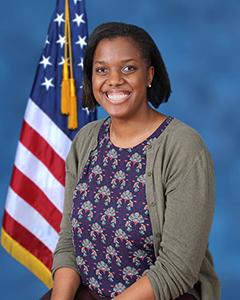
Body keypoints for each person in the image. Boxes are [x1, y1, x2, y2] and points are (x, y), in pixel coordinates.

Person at [48, 22, 220, 300]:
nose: (114, 80)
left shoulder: (184, 148)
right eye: (101, 69)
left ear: (149, 75)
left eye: (128, 68)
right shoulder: (86, 140)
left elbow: (176, 269)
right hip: (88, 292)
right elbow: (70, 242)